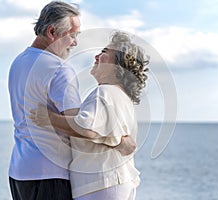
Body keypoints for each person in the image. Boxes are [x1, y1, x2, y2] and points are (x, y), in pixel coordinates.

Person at [8, 1, 136, 200]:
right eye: (73, 35)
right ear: (52, 32)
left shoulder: (18, 63)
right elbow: (78, 126)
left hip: (19, 170)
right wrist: (120, 141)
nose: (75, 43)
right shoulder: (59, 69)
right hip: (50, 173)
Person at [30, 32, 149, 200]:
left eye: (105, 52)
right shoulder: (121, 96)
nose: (97, 56)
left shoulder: (105, 92)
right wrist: (119, 141)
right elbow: (107, 133)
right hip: (115, 182)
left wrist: (47, 118)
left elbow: (88, 129)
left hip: (101, 184)